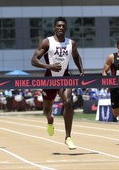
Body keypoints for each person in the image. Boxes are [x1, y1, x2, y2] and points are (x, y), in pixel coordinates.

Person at [31, 17, 84, 150]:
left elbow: (76, 56)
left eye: (63, 26)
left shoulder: (71, 43)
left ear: (66, 28)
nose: (61, 28)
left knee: (68, 102)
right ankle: (50, 120)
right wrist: (49, 66)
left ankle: (68, 137)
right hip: (49, 79)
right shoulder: (47, 42)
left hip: (65, 78)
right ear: (54, 27)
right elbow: (34, 60)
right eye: (58, 26)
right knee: (47, 110)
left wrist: (81, 71)